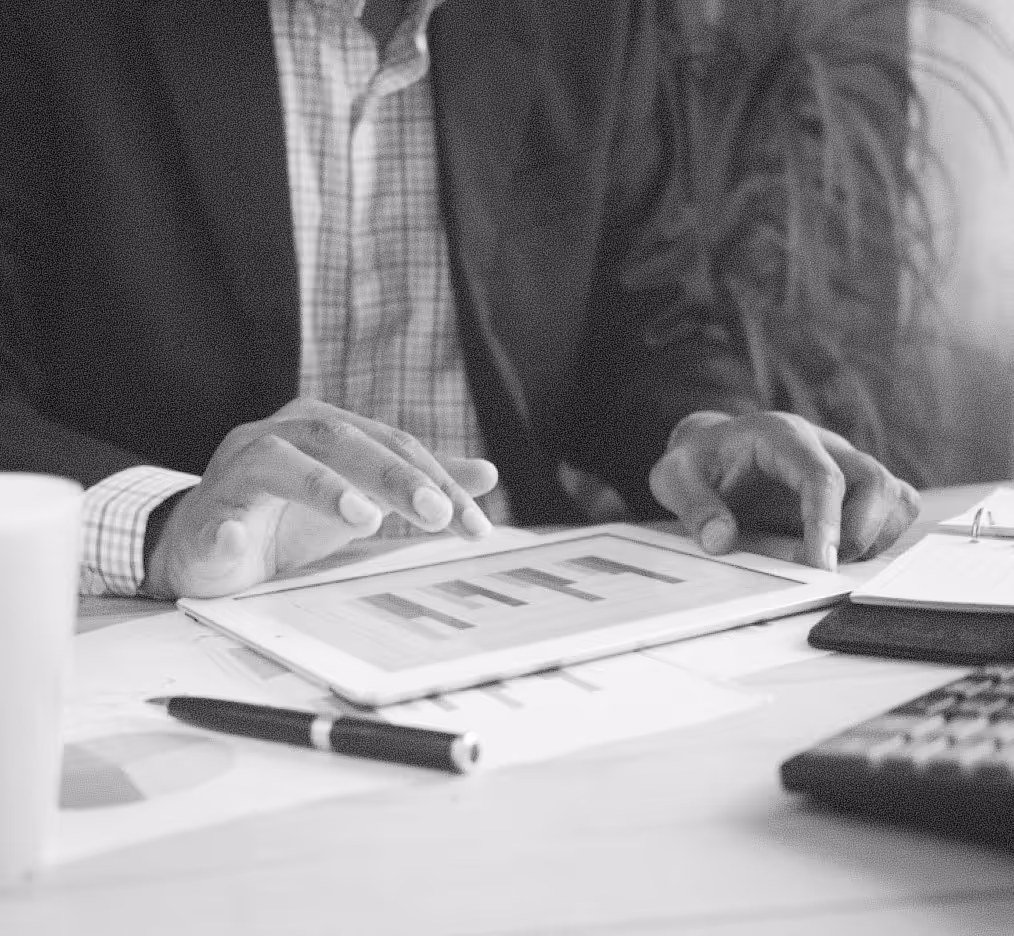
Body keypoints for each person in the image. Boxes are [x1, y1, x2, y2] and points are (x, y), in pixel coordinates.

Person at [0, 0, 919, 601]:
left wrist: (707, 429)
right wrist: (165, 525)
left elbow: (647, 321)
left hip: (515, 607)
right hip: (163, 631)